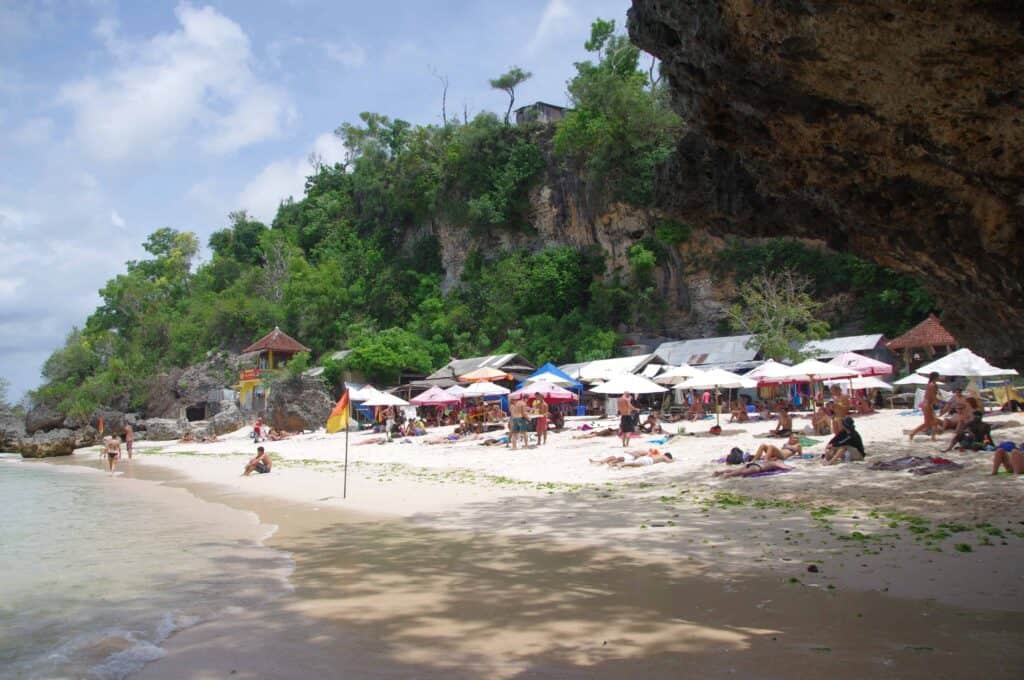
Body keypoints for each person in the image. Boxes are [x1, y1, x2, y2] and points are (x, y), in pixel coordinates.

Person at [908, 372, 941, 441]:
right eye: (938, 376)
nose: (939, 378)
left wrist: (937, 401)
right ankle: (912, 433)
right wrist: (938, 403)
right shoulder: (932, 385)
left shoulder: (931, 384)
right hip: (927, 405)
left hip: (927, 404)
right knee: (928, 423)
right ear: (935, 377)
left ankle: (933, 437)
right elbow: (932, 396)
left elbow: (931, 396)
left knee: (934, 422)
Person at [714, 459, 792, 478]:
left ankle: (720, 472)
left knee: (737, 470)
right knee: (740, 473)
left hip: (754, 464)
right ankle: (726, 475)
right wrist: (790, 467)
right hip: (757, 467)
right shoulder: (776, 463)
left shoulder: (769, 461)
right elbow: (785, 467)